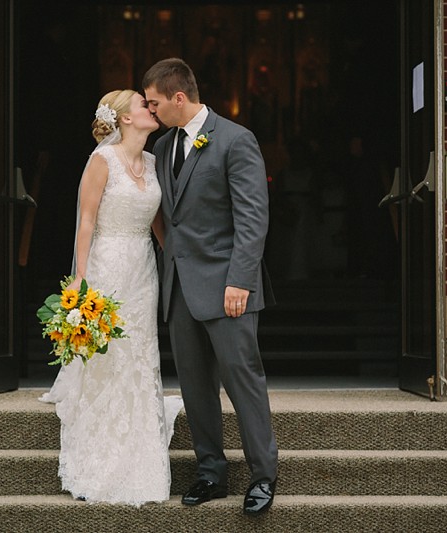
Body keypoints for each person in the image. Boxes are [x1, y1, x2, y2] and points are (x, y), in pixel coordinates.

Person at [143, 58, 279, 515]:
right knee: (195, 386)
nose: (151, 110)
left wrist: (241, 280)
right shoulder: (161, 147)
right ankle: (210, 472)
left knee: (243, 381)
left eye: (155, 102)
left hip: (227, 287)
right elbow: (168, 216)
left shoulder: (236, 140)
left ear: (179, 97)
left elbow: (252, 219)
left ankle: (263, 474)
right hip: (178, 287)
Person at [41, 89, 183, 506]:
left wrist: (177, 261)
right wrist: (80, 279)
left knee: (139, 350)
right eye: (143, 105)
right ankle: (101, 442)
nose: (150, 109)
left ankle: (140, 436)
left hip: (142, 268)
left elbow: (158, 223)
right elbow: (85, 220)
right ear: (124, 119)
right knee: (108, 353)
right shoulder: (101, 161)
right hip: (105, 263)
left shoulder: (155, 162)